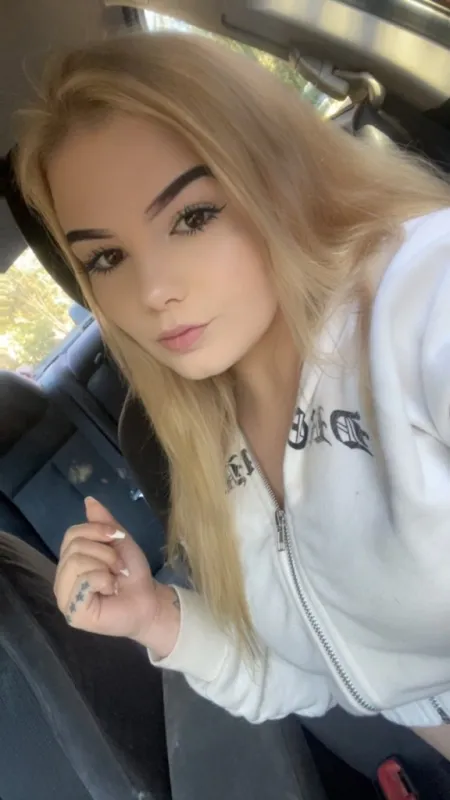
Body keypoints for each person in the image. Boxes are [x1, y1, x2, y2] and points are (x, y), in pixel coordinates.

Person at [15, 30, 450, 781]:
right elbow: (326, 672)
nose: (153, 291)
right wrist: (155, 617)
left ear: (274, 171)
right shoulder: (206, 438)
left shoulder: (420, 300)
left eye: (191, 217)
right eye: (107, 258)